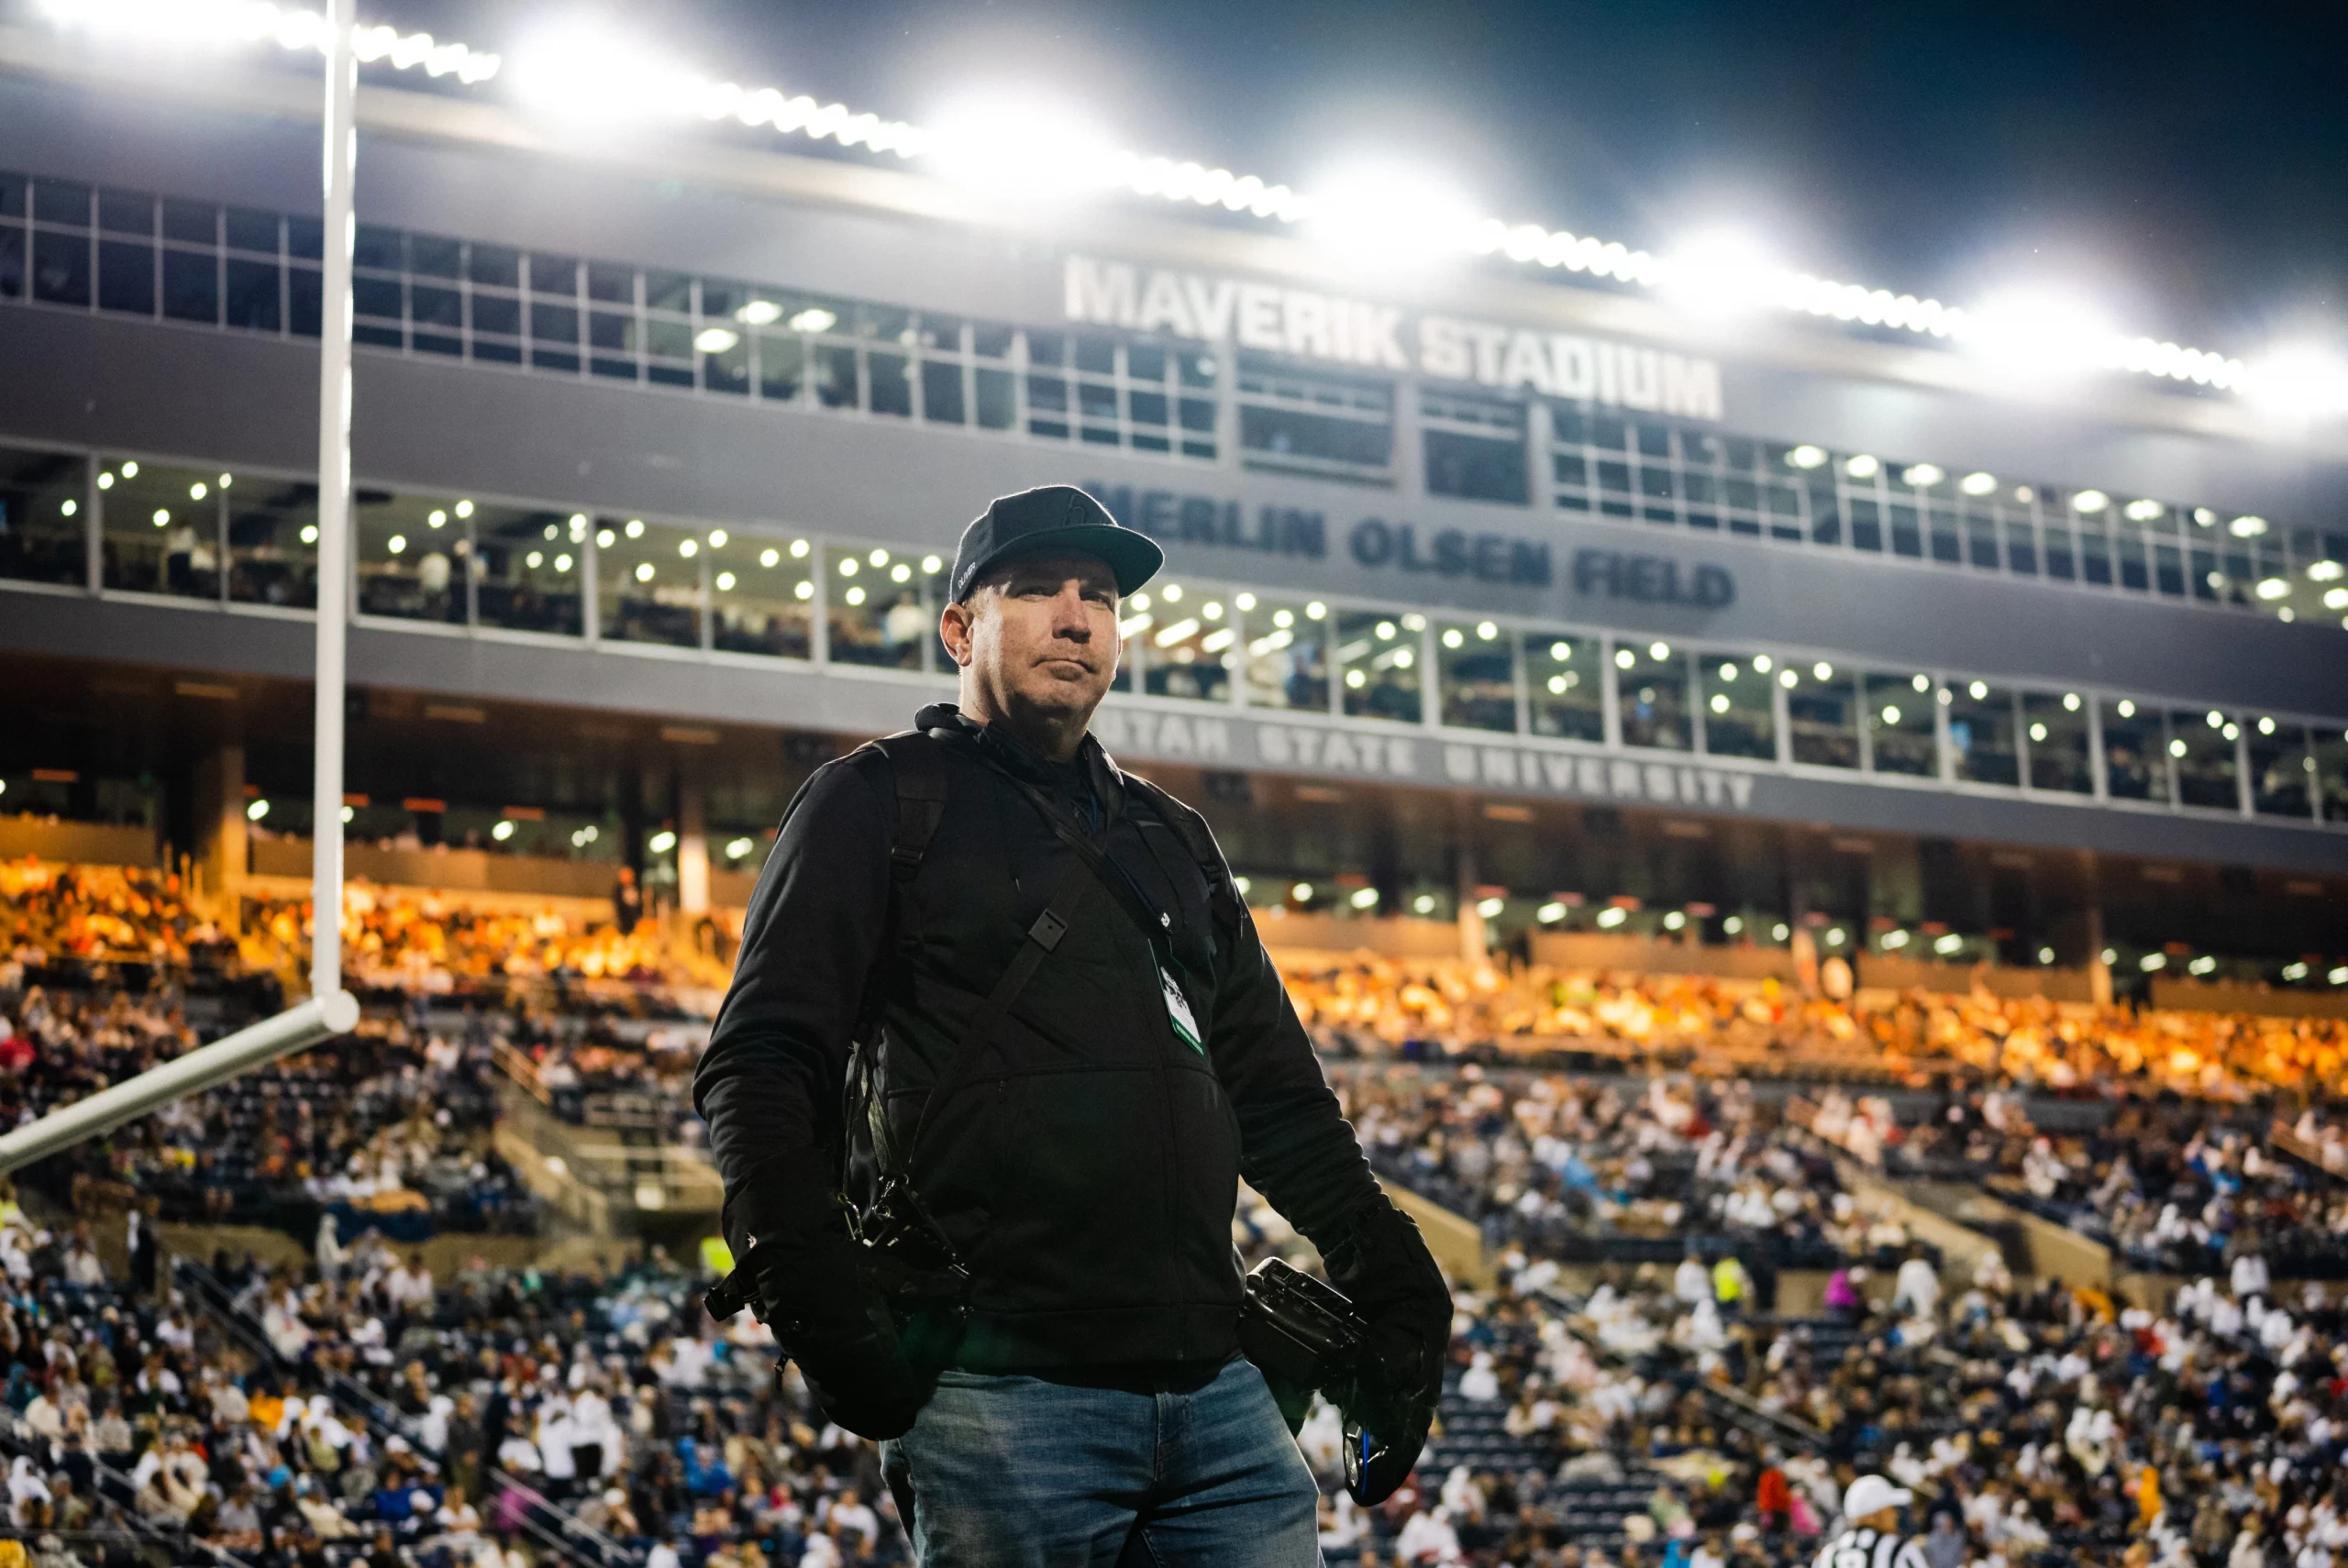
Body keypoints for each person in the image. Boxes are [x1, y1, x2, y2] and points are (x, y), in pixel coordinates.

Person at [696, 485, 1452, 1567]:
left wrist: (1395, 1279)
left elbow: (1276, 1094)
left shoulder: (1171, 836)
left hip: (1222, 1395)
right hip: (1003, 1397)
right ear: (960, 629)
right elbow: (764, 1058)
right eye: (1037, 590)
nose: (1075, 616)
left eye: (1097, 596)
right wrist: (807, 1285)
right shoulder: (876, 801)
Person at [1812, 1474, 1930, 1568]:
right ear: (1875, 1515)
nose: (1895, 1514)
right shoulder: (1898, 1550)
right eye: (1890, 1509)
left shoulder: (1828, 1555)